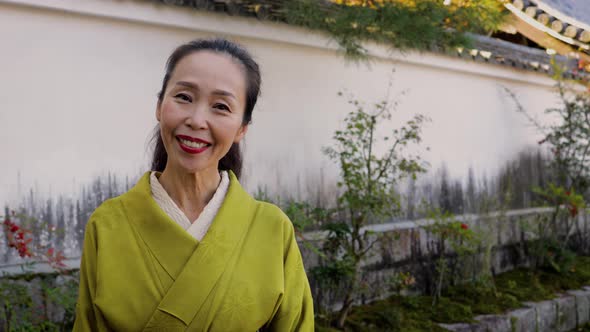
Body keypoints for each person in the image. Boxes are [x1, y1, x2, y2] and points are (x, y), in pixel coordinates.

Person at [73, 38, 314, 331]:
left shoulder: (272, 228)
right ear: (160, 106)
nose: (197, 120)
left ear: (241, 128)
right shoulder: (108, 223)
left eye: (221, 106)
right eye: (184, 97)